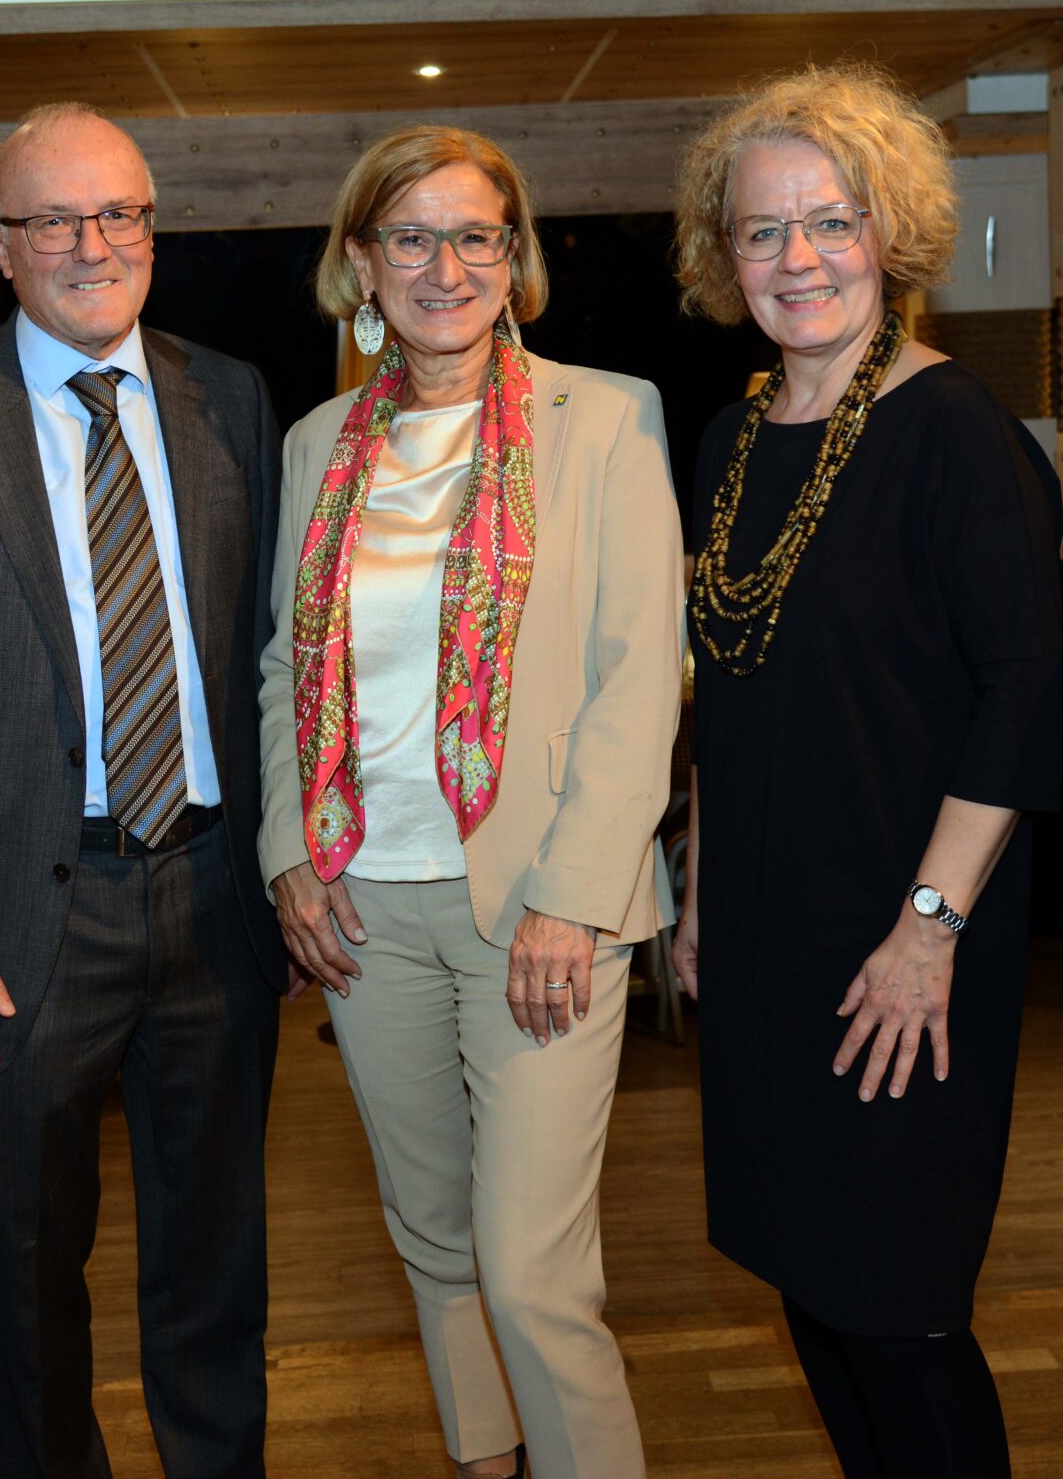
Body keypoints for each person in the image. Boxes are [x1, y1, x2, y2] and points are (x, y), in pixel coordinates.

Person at [0, 102, 284, 1478]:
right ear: (0, 244)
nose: (93, 245)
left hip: (215, 899)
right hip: (16, 921)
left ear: (153, 229)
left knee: (216, 1259)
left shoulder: (231, 400)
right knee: (27, 1270)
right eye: (54, 220)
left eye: (119, 213)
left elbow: (276, 649)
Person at [258, 125, 682, 1479]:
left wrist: (576, 895)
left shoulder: (604, 418)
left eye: (473, 236)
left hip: (542, 904)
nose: (444, 267)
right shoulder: (318, 442)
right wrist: (287, 849)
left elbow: (639, 676)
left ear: (515, 258)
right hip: (365, 906)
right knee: (434, 1238)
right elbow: (286, 664)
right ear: (362, 262)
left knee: (532, 1272)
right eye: (411, 238)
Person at [664, 65, 1063, 1479]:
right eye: (763, 231)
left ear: (889, 232)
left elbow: (1021, 696)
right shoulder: (728, 441)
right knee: (812, 1283)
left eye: (831, 222)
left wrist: (929, 928)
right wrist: (702, 896)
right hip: (766, 935)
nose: (799, 259)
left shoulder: (957, 432)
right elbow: (728, 694)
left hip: (906, 937)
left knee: (900, 1306)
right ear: (725, 256)